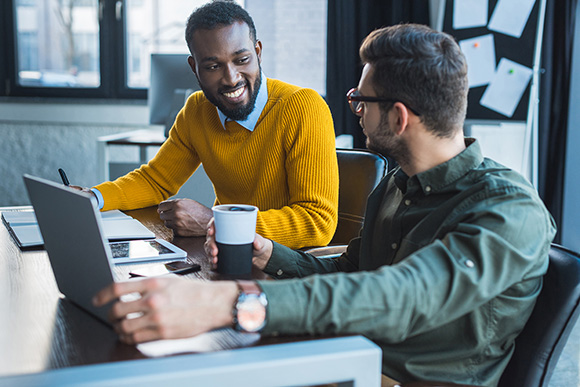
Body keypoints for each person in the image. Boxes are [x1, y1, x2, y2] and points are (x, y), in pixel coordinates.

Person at [93, 24, 556, 386]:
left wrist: (232, 302)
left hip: (408, 379)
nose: (355, 111)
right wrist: (272, 255)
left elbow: (402, 295)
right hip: (346, 352)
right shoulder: (397, 184)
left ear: (398, 116)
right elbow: (351, 276)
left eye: (360, 101)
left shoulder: (508, 211)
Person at [86, 1, 339, 249]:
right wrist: (92, 198)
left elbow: (317, 222)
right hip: (223, 254)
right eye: (213, 66)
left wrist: (213, 222)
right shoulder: (197, 110)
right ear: (194, 68)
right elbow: (156, 181)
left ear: (258, 53)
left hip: (284, 264)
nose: (231, 79)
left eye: (242, 60)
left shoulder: (304, 107)